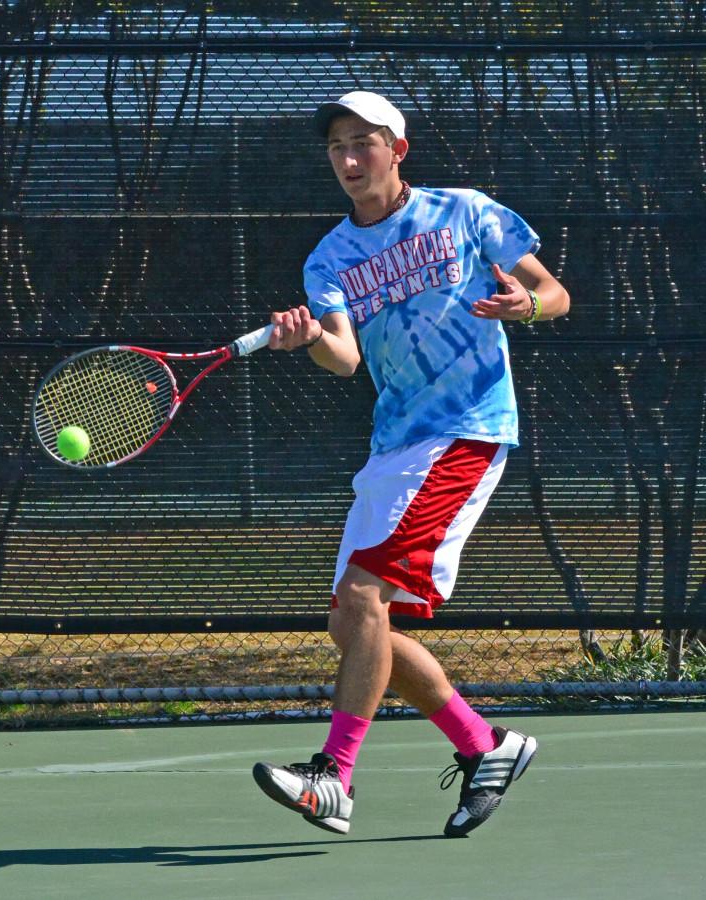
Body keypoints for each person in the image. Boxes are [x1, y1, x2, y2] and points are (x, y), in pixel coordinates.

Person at [252, 91, 570, 837]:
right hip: (393, 444)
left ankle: (333, 776)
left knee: (364, 598)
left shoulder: (463, 212)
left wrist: (525, 307)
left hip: (465, 430)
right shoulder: (329, 257)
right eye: (336, 147)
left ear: (398, 149)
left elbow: (555, 293)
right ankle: (483, 745)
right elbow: (345, 355)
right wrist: (305, 341)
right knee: (353, 625)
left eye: (364, 142)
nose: (349, 159)